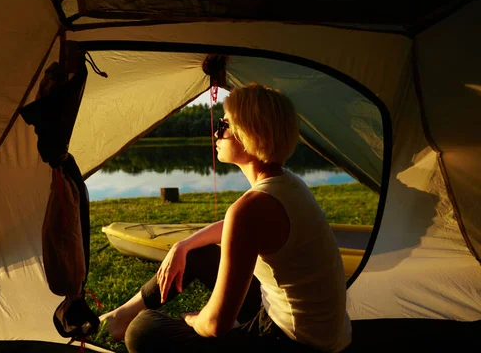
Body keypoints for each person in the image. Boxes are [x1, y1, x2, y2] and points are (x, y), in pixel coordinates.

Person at [99, 83, 352, 352]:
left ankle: (130, 321)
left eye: (224, 125)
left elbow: (216, 324)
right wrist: (183, 245)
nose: (216, 132)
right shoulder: (288, 184)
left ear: (248, 135)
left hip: (298, 343)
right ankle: (121, 315)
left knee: (143, 330)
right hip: (314, 330)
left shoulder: (251, 208)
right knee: (195, 252)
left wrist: (193, 319)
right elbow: (238, 228)